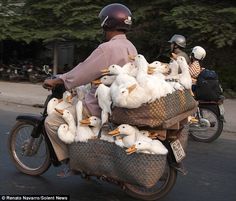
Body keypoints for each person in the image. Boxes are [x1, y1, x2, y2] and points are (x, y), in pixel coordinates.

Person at [42, 3, 137, 177]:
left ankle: (71, 161)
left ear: (107, 23)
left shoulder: (106, 48)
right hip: (118, 103)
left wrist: (60, 80)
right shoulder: (131, 46)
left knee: (52, 121)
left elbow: (84, 71)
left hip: (97, 105)